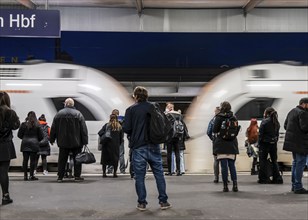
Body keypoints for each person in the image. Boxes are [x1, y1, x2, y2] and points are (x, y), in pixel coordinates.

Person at [123, 86, 171, 211]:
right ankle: (163, 202)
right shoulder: (154, 106)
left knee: (139, 176)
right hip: (154, 145)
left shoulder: (131, 110)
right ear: (146, 96)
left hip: (139, 147)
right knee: (159, 174)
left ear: (135, 96)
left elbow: (127, 128)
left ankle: (142, 203)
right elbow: (165, 124)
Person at [50, 98, 88, 183]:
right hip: (76, 142)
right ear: (73, 105)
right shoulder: (78, 114)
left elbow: (53, 128)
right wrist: (85, 141)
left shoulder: (59, 114)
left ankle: (60, 177)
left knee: (62, 159)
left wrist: (52, 139)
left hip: (63, 141)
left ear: (65, 104)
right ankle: (77, 176)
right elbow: (83, 129)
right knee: (77, 159)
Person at [212, 101, 239, 192]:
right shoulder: (234, 117)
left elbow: (215, 130)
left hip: (221, 144)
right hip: (232, 144)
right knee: (232, 165)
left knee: (224, 166)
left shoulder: (219, 117)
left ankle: (225, 186)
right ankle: (235, 185)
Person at [283, 97, 308, 194]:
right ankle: (298, 186)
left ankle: (294, 185)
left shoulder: (292, 111)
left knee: (295, 163)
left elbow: (286, 126)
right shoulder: (303, 113)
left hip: (293, 143)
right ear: (304, 104)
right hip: (301, 143)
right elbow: (305, 128)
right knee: (300, 164)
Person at [0, 91, 20, 205]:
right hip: (5, 145)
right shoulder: (10, 112)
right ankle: (5, 196)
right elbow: (15, 126)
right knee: (3, 171)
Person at [258, 107, 283, 184]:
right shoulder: (276, 122)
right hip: (273, 144)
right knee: (274, 161)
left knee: (263, 161)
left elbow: (260, 134)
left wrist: (259, 143)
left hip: (264, 144)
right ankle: (277, 178)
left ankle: (264, 178)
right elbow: (277, 134)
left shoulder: (264, 122)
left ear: (267, 113)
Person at [18, 111, 44, 181]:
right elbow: (41, 136)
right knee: (33, 161)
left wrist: (24, 138)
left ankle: (25, 176)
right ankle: (31, 175)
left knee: (25, 160)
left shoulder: (23, 124)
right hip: (34, 144)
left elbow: (19, 135)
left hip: (25, 143)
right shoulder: (38, 124)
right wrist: (36, 140)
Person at [98, 114, 123, 178]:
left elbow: (100, 132)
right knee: (115, 160)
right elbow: (121, 137)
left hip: (106, 145)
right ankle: (114, 173)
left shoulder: (106, 125)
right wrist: (118, 143)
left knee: (105, 160)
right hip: (115, 146)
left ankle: (104, 173)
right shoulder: (119, 126)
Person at [165, 102, 185, 176]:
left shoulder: (167, 114)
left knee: (169, 153)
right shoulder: (178, 114)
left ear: (168, 107)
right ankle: (178, 171)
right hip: (177, 136)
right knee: (177, 153)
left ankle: (170, 171)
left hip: (169, 136)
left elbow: (164, 125)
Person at [106, 109, 126, 174]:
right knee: (121, 155)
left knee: (111, 155)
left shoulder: (110, 124)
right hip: (120, 140)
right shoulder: (122, 123)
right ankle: (122, 170)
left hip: (111, 141)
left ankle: (110, 170)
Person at [207, 106, 221, 183]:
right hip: (223, 142)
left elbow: (208, 132)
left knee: (216, 160)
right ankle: (226, 177)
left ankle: (216, 177)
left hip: (215, 142)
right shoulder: (224, 119)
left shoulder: (212, 120)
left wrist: (213, 139)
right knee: (224, 160)